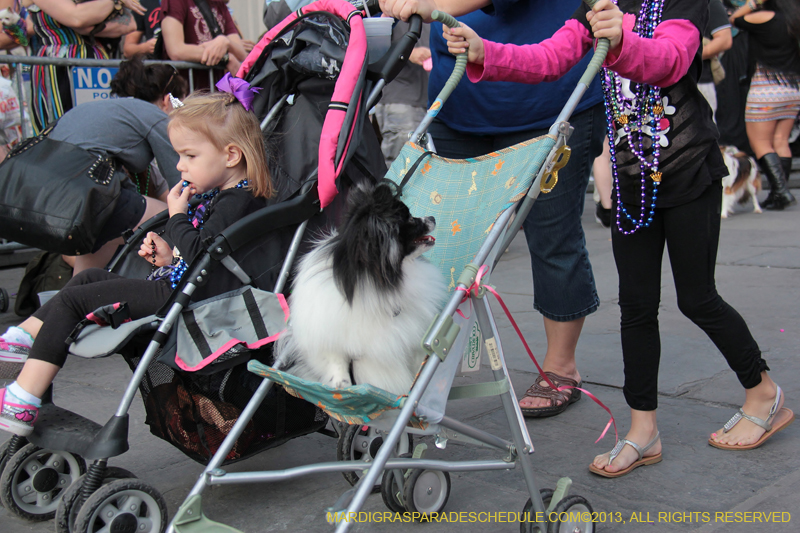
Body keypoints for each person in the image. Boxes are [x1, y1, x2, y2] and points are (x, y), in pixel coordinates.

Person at [443, 0, 793, 475]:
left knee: (697, 297)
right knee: (636, 307)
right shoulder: (597, 8)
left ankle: (764, 392)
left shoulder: (680, 4)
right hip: (634, 184)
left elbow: (671, 58)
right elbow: (549, 59)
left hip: (690, 173)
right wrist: (486, 50)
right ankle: (643, 430)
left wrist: (622, 40)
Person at [0, 88, 273, 436]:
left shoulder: (238, 200)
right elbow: (203, 256)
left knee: (73, 299)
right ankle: (23, 337)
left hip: (189, 300)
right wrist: (166, 252)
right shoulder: (227, 195)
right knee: (89, 279)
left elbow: (202, 254)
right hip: (184, 287)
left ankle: (22, 399)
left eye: (189, 155)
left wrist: (177, 217)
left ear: (231, 154)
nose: (179, 166)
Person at [380, 0, 606, 419]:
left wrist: (432, 5)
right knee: (438, 242)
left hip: (550, 98)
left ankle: (560, 367)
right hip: (461, 99)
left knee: (552, 236)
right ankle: (422, 361)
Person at [45, 58, 186, 274]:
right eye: (180, 106)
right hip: (83, 191)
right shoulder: (156, 116)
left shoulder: (107, 109)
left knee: (96, 255)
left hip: (54, 193)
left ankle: (74, 302)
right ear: (168, 101)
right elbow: (181, 183)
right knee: (166, 220)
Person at [24, 0, 145, 133]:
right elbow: (76, 18)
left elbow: (130, 24)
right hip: (57, 65)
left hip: (95, 63)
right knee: (60, 128)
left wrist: (90, 28)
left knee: (100, 125)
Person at [731, 0, 799, 210]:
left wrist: (753, 3)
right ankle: (779, 192)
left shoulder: (764, 17)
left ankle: (780, 191)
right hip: (793, 88)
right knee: (781, 140)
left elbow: (734, 19)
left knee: (760, 142)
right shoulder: (794, 20)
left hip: (765, 88)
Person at [374, 21, 431, 166]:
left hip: (427, 104)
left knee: (418, 168)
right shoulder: (389, 9)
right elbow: (372, 48)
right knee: (400, 168)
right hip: (400, 102)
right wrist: (408, 53)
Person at [160, 0, 248, 86]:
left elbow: (243, 56)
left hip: (217, 95)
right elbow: (176, 50)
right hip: (187, 95)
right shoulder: (175, 2)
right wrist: (225, 58)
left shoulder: (220, 4)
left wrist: (226, 43)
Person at [698, 0, 732, 122]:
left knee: (702, 132)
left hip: (700, 81)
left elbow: (725, 40)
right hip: (665, 83)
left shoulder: (709, 3)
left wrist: (684, 58)